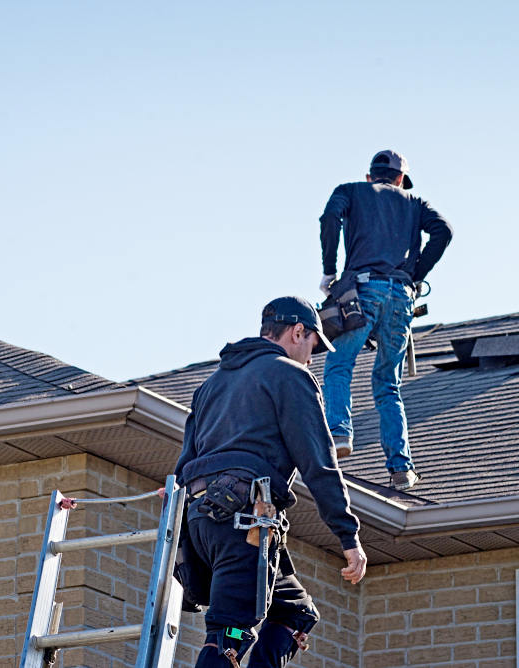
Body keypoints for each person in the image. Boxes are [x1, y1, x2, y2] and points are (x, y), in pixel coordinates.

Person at [173, 296, 368, 667]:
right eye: (313, 346)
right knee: (228, 635)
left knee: (295, 612)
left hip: (202, 523)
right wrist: (348, 537)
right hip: (243, 522)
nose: (312, 358)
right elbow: (319, 464)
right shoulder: (290, 376)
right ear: (298, 332)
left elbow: (184, 467)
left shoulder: (210, 386)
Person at [319, 149, 453, 491]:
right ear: (399, 179)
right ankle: (401, 468)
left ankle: (338, 434)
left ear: (369, 176)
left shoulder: (350, 191)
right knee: (387, 384)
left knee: (338, 364)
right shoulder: (414, 203)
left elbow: (329, 218)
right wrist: (415, 273)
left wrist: (330, 271)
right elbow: (444, 231)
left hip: (363, 292)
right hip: (401, 298)